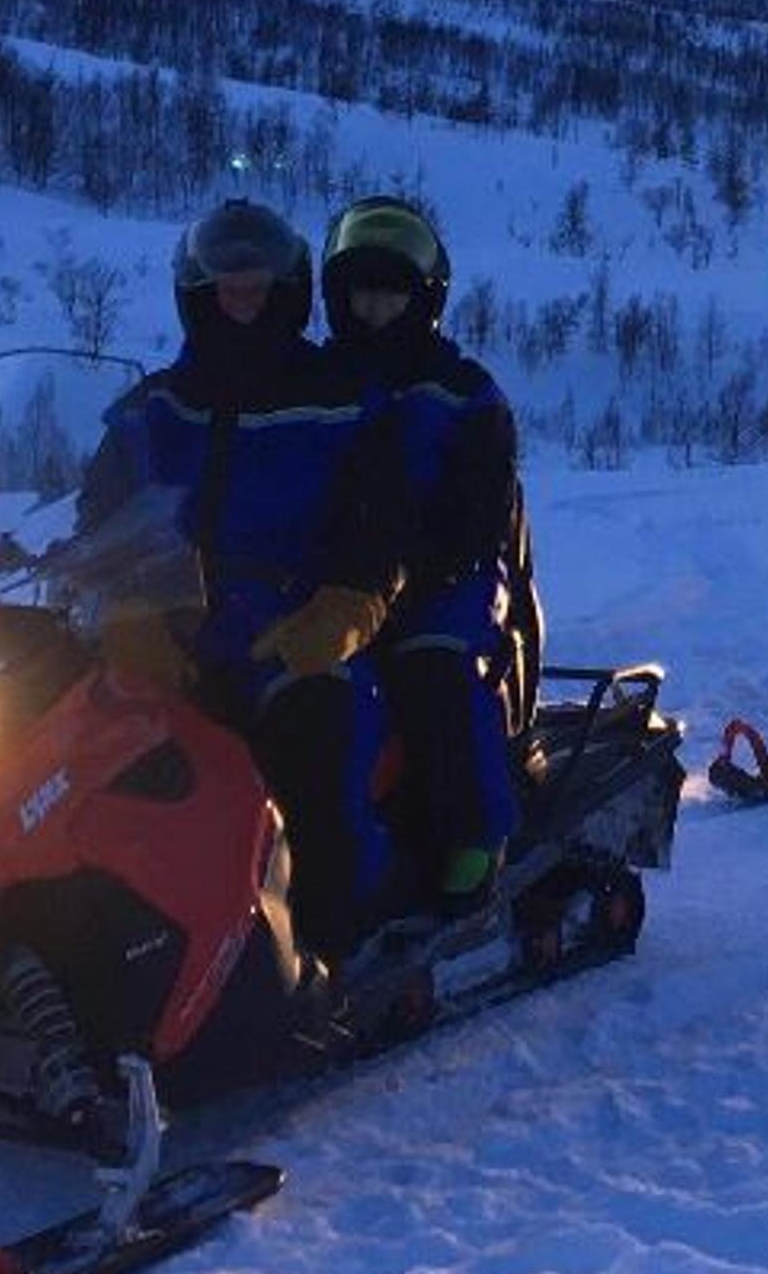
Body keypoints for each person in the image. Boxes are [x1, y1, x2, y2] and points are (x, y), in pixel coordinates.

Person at [91, 198, 396, 958]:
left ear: (286, 291)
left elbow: (381, 519)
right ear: (199, 296)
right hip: (173, 623)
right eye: (228, 290)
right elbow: (98, 515)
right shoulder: (152, 407)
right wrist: (114, 598)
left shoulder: (341, 399)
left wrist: (349, 602)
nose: (243, 304)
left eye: (257, 288)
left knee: (308, 740)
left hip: (291, 627)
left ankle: (327, 946)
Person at [314, 196, 536, 924]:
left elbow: (480, 512)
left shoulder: (465, 393)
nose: (374, 307)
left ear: (423, 298)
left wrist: (409, 569)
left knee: (431, 665)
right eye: (360, 291)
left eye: (391, 291)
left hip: (446, 578)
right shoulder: (313, 385)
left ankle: (475, 834)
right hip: (331, 574)